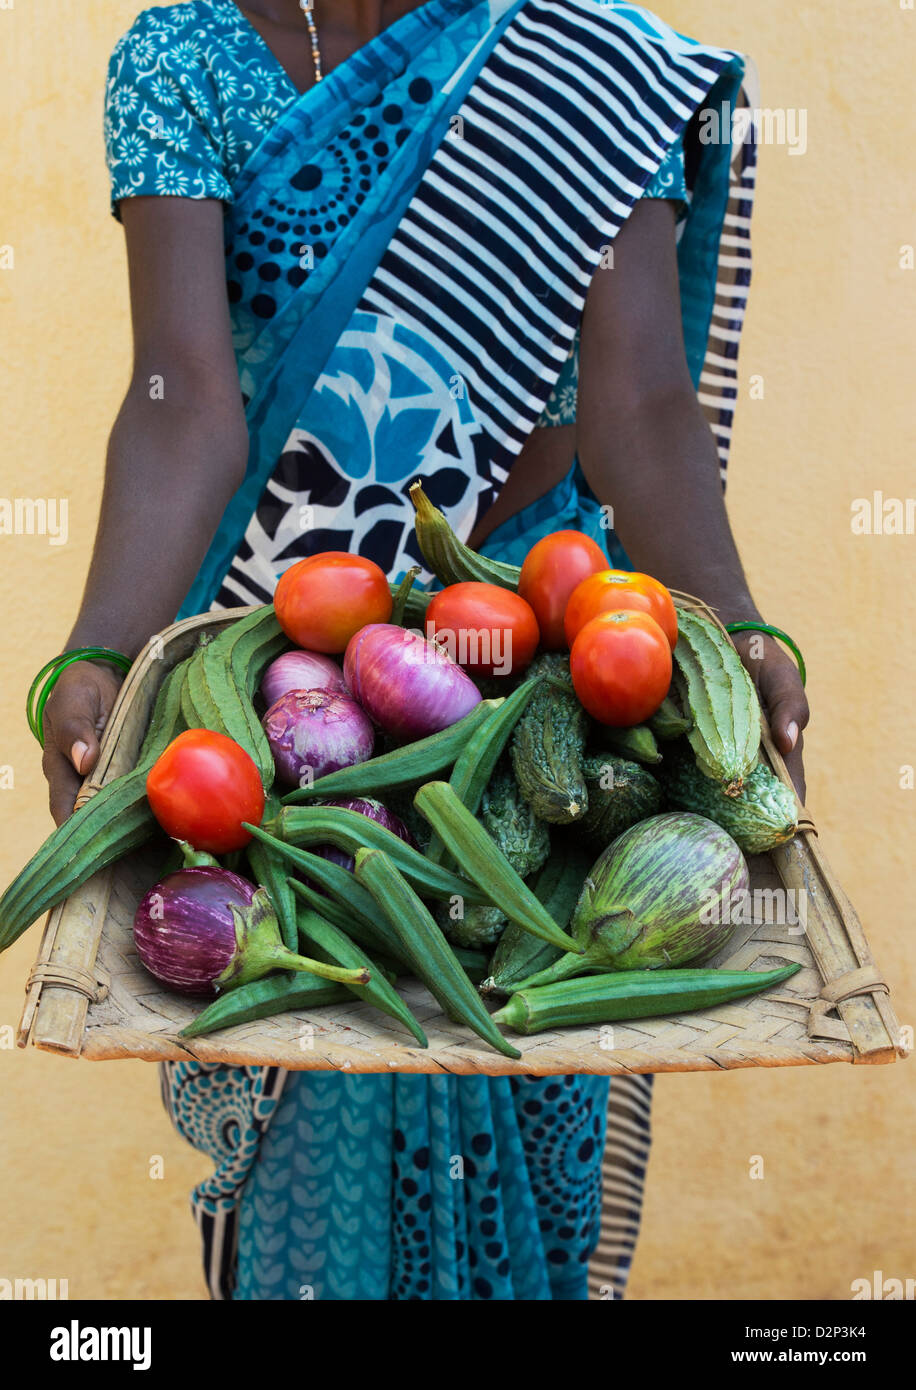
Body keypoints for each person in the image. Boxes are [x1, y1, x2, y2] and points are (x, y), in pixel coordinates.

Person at [37, 0, 808, 1300]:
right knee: (313, 1057)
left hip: (552, 677)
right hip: (302, 693)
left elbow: (642, 404)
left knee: (530, 1043)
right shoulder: (183, 58)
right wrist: (96, 651)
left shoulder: (579, 60)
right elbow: (180, 397)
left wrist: (736, 629)